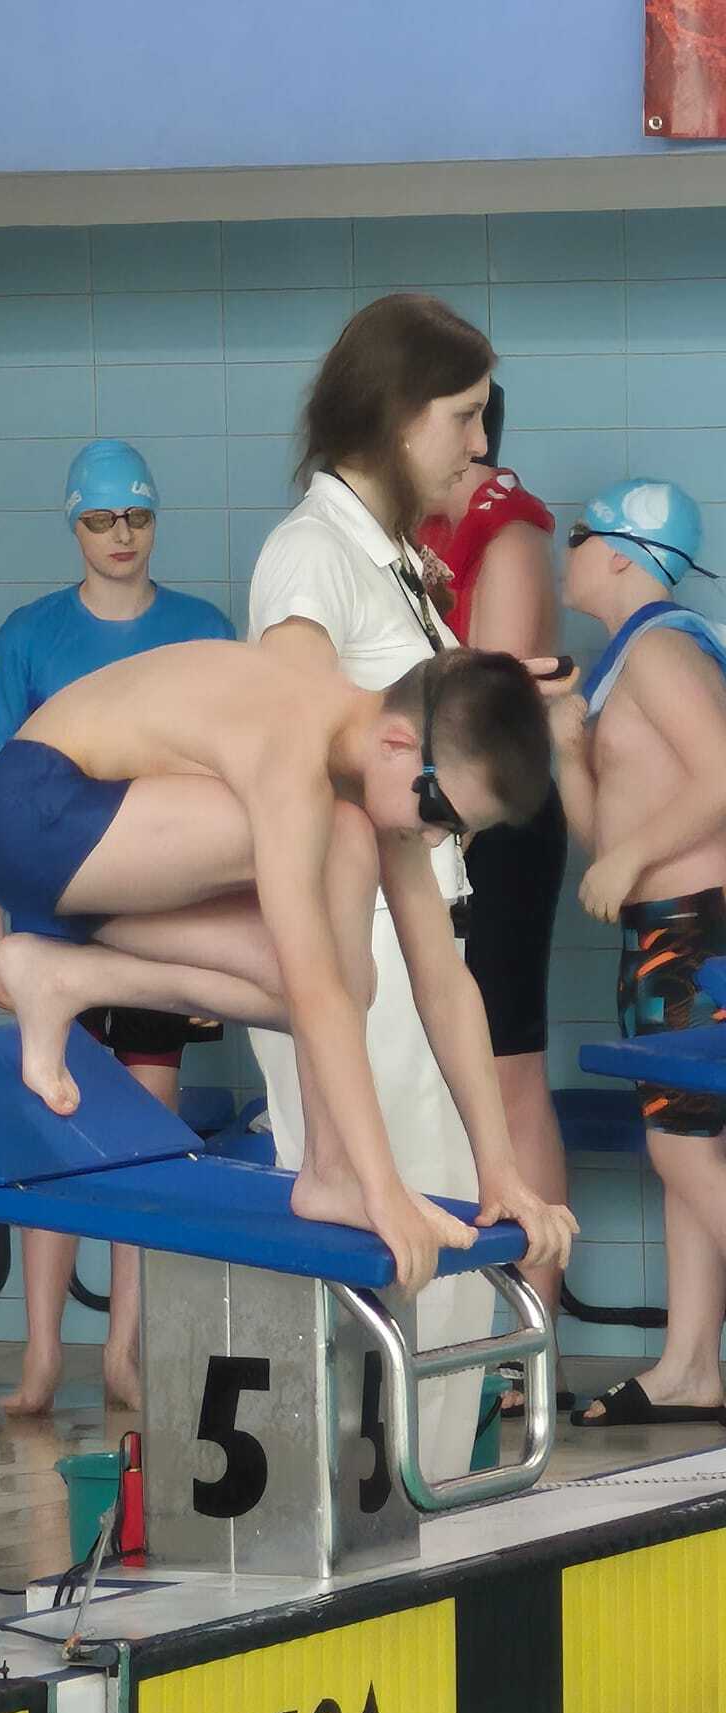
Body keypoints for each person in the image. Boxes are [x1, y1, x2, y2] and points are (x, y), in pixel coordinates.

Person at [0, 637, 576, 1291]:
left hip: (108, 851)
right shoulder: (294, 752)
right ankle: (335, 1172)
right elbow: (317, 992)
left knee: (352, 975)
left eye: (454, 830)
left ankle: (62, 978)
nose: (433, 837)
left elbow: (445, 981)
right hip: (29, 815)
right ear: (397, 742)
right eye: (437, 812)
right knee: (340, 881)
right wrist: (383, 1187)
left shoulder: (381, 770)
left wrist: (501, 1173)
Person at [247, 292, 509, 1475]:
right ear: (398, 414)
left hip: (409, 930)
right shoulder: (310, 555)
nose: (477, 443)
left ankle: (424, 1499)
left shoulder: (389, 554)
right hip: (351, 942)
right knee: (394, 1240)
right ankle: (381, 1504)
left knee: (443, 1240)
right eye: (462, 415)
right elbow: (295, 733)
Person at [0, 438, 233, 1417]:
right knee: (53, 1132)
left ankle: (123, 1351)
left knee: (143, 1137)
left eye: (137, 517)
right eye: (100, 519)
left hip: (164, 909)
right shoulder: (29, 635)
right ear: (73, 525)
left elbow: (228, 786)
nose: (120, 536)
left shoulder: (202, 630)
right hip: (50, 908)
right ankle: (42, 1354)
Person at [550, 478, 726, 1429]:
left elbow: (724, 775)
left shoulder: (660, 646)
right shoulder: (628, 659)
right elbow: (600, 853)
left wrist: (631, 856)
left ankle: (692, 1365)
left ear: (619, 552)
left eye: (579, 534)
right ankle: (690, 1368)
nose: (566, 548)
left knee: (682, 1149)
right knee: (689, 1145)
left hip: (696, 931)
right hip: (664, 928)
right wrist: (565, 748)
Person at [414, 386, 572, 1374]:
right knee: (446, 1067)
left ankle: (527, 1339)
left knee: (506, 1070)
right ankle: (462, 1325)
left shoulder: (503, 534)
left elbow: (494, 713)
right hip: (434, 820)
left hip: (496, 822)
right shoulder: (412, 533)